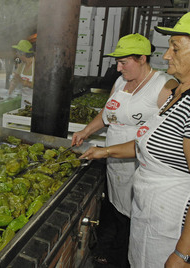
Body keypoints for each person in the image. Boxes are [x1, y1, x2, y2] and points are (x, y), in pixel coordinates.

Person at [80, 8, 190, 267]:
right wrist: (104, 151)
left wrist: (183, 255)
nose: (165, 55)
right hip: (152, 215)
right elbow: (149, 143)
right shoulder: (181, 93)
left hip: (173, 224)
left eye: (175, 48)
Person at [72, 33, 178, 267]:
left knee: (136, 216)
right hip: (115, 161)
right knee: (117, 207)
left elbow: (164, 137)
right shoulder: (121, 81)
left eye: (124, 62)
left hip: (140, 163)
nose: (118, 68)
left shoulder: (163, 85)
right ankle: (116, 248)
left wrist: (106, 151)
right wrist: (85, 131)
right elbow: (107, 112)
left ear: (142, 58)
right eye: (117, 62)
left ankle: (124, 258)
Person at [8, 40, 35, 107]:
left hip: (35, 101)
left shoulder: (36, 65)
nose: (16, 54)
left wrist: (22, 81)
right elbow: (15, 78)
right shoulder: (22, 65)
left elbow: (38, 86)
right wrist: (12, 86)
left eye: (17, 52)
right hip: (24, 100)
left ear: (22, 53)